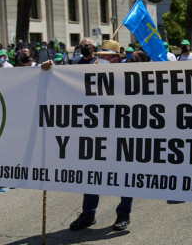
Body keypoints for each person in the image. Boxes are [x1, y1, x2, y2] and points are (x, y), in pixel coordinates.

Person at [43, 40, 133, 231]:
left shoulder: (128, 76)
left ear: (116, 59)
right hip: (94, 134)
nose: (102, 59)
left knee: (124, 174)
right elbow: (65, 83)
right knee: (90, 175)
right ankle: (88, 214)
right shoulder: (89, 72)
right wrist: (51, 70)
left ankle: (123, 214)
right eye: (101, 55)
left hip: (120, 133)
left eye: (107, 56)